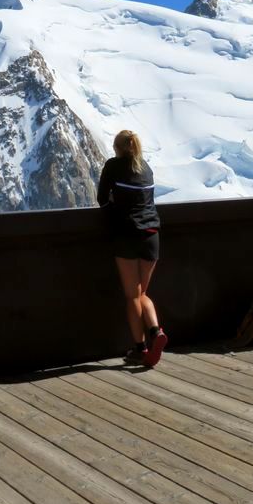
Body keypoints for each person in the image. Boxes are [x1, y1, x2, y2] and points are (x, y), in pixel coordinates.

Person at [97, 130, 168, 366]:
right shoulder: (146, 168)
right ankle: (157, 332)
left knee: (132, 297)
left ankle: (140, 349)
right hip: (152, 235)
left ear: (117, 148)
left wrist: (114, 214)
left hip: (127, 234)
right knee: (143, 293)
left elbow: (102, 199)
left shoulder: (113, 166)